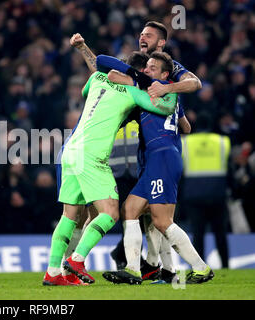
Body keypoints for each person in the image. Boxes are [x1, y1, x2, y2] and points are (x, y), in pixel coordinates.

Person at [70, 20, 200, 282]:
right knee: (142, 214)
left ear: (161, 42)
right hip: (145, 156)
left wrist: (166, 88)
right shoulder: (143, 78)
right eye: (141, 33)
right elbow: (105, 69)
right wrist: (84, 49)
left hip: (160, 155)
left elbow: (195, 83)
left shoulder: (170, 71)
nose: (143, 37)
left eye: (149, 35)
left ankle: (176, 269)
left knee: (158, 217)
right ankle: (148, 268)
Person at [43, 51, 177, 286]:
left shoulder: (96, 79)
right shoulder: (134, 92)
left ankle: (53, 272)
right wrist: (167, 89)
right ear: (138, 73)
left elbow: (86, 91)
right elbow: (165, 108)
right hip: (93, 155)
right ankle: (76, 261)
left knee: (69, 215)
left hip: (70, 150)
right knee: (111, 213)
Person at [101, 52, 214, 285]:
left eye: (153, 68)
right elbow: (186, 126)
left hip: (162, 156)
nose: (147, 71)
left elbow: (111, 71)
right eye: (147, 67)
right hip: (159, 156)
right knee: (130, 209)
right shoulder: (167, 93)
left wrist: (130, 79)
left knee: (162, 221)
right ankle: (133, 270)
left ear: (165, 75)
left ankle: (201, 268)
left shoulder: (153, 85)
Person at [181, 112, 231, 268]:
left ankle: (198, 266)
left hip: (194, 194)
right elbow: (229, 168)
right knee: (220, 233)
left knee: (198, 234)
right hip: (218, 193)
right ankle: (225, 265)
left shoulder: (186, 143)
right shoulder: (223, 141)